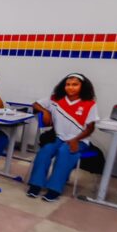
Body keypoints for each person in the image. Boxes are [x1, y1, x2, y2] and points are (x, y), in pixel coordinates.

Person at [27, 73, 98, 202]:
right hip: (58, 137)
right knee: (45, 151)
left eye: (75, 85)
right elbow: (35, 104)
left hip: (79, 139)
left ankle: (54, 189)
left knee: (65, 152)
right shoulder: (56, 99)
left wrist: (76, 140)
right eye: (68, 84)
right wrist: (45, 111)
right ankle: (36, 185)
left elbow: (90, 128)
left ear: (82, 86)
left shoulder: (89, 104)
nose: (70, 87)